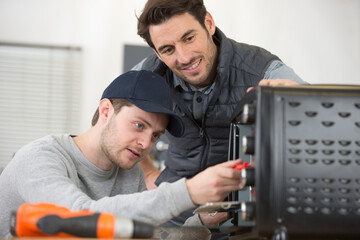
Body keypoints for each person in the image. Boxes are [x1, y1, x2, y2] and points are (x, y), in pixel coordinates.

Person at [0, 70, 245, 238]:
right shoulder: (39, 158)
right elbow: (79, 219)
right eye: (139, 125)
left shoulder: (129, 172)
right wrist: (188, 191)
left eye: (156, 135)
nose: (145, 144)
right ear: (106, 111)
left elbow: (141, 235)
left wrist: (201, 223)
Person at [133, 0, 309, 224]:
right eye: (168, 49)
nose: (184, 57)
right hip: (174, 213)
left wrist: (303, 104)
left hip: (246, 214)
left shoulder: (264, 69)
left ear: (208, 23)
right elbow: (110, 127)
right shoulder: (145, 76)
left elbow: (320, 124)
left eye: (189, 38)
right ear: (157, 53)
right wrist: (147, 173)